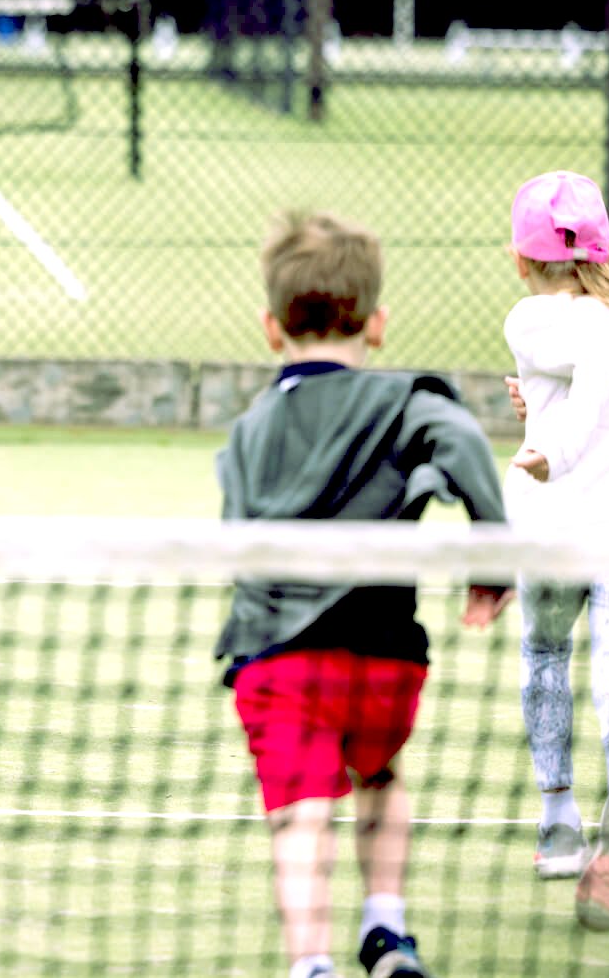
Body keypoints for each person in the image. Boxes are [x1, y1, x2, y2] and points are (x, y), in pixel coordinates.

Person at [213, 209, 514, 978]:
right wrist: (491, 555)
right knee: (379, 776)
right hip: (386, 661)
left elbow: (237, 539)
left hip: (279, 664)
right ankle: (386, 926)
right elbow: (464, 441)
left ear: (270, 327)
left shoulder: (247, 431)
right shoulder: (405, 400)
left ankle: (311, 961)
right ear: (375, 325)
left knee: (300, 814)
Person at [500, 170, 609, 930]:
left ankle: (560, 819)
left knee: (544, 657)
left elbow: (585, 380)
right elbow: (593, 388)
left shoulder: (532, 320)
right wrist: (539, 411)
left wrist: (554, 447)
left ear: (521, 259)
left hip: (555, 530)